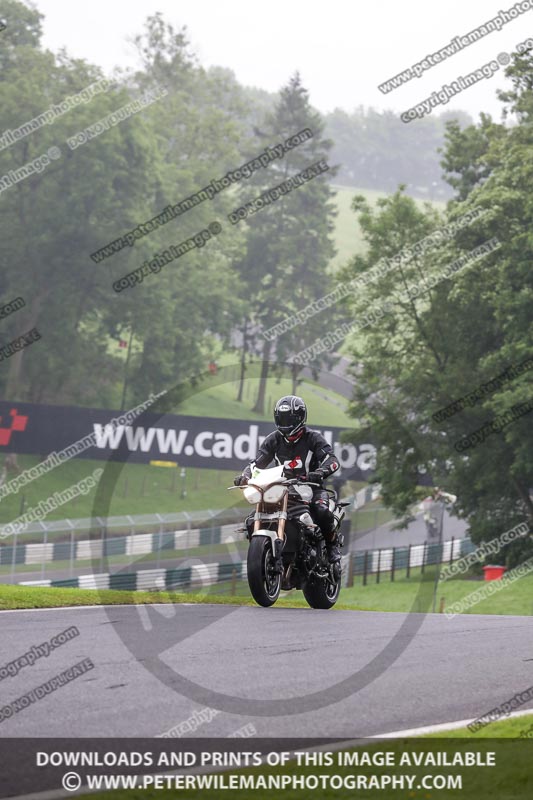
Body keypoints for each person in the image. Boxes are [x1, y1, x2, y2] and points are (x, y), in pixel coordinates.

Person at [234, 395, 342, 563]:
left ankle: (331, 545)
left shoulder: (313, 438)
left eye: (289, 418)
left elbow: (332, 460)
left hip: (312, 488)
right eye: (281, 418)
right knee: (250, 520)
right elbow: (256, 464)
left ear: (300, 418)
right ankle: (264, 554)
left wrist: (319, 472)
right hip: (281, 488)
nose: (285, 423)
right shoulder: (273, 439)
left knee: (322, 511)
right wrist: (245, 476)